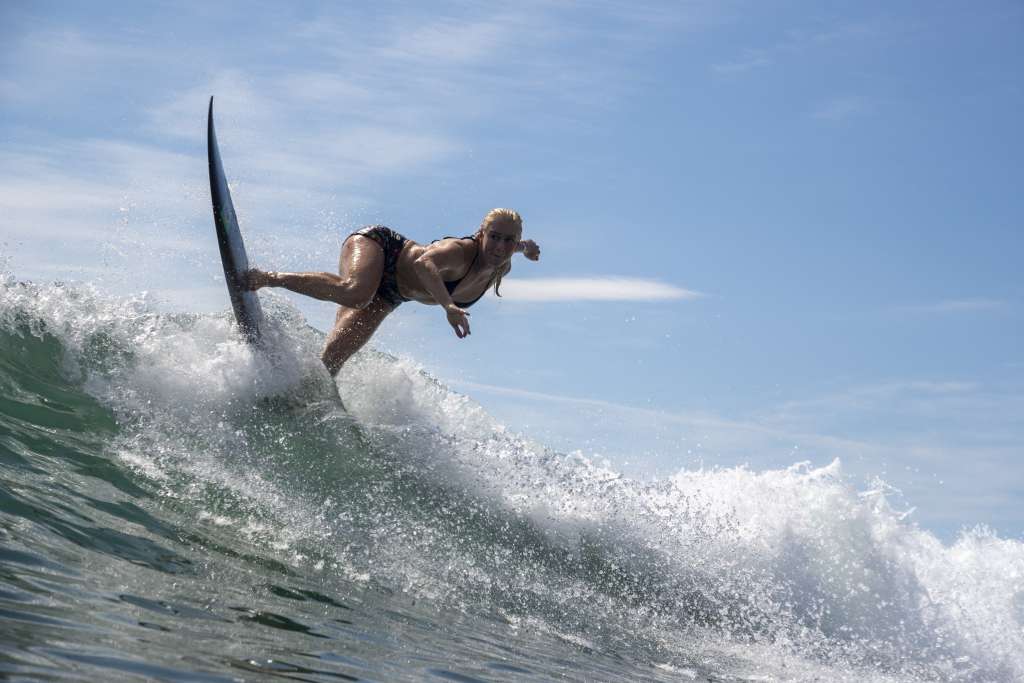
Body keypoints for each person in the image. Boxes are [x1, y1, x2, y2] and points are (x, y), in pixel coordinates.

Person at [244, 208, 541, 374]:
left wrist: (526, 249)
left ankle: (287, 378)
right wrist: (449, 307)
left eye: (509, 241)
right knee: (356, 292)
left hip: (390, 295)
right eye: (494, 238)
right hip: (382, 248)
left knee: (330, 364)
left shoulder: (501, 261)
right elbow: (425, 264)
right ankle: (267, 277)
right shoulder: (460, 251)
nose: (500, 246)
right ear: (481, 234)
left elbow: (516, 247)